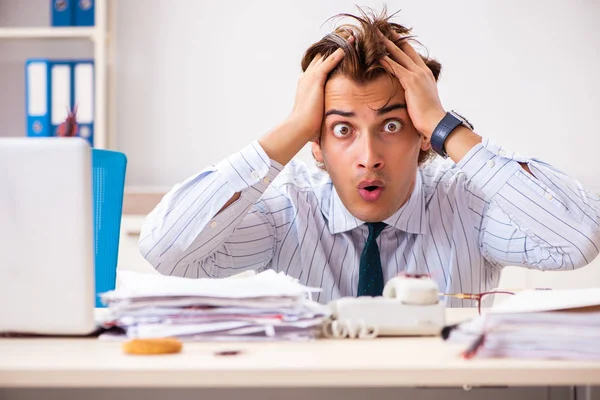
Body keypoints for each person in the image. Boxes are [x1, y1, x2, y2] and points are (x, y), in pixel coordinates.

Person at [139, 9, 600, 306]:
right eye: (342, 130)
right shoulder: (289, 212)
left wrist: (446, 126)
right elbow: (166, 252)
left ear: (422, 137)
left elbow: (579, 238)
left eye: (392, 125)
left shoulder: (468, 207)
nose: (369, 156)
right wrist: (291, 131)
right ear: (314, 144)